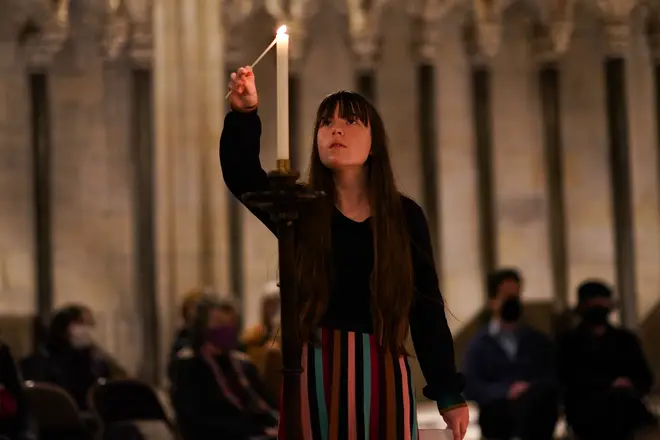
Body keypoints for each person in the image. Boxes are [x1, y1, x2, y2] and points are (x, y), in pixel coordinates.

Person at [221, 66, 469, 440]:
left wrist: (448, 392)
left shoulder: (404, 216)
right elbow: (242, 176)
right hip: (315, 368)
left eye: (351, 121)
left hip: (382, 367)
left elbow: (426, 306)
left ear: (374, 142)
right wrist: (244, 115)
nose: (335, 129)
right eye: (326, 123)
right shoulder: (300, 208)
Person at [463, 269, 559, 440]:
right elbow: (471, 386)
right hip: (498, 418)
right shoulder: (479, 344)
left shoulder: (537, 340)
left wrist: (528, 389)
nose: (513, 303)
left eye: (516, 296)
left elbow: (551, 375)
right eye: (507, 297)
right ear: (492, 301)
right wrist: (506, 391)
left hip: (535, 417)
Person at [558, 280, 658, 440]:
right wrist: (607, 384)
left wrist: (629, 383)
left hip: (625, 405)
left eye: (603, 301)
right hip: (586, 409)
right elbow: (567, 378)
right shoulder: (569, 342)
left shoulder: (626, 340)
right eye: (593, 302)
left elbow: (645, 377)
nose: (599, 307)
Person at [172, 298, 279, 440]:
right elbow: (195, 419)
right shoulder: (190, 366)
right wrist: (254, 431)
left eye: (230, 324)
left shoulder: (243, 365)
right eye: (219, 323)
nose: (226, 329)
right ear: (203, 327)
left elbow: (266, 403)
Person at [21, 305, 110, 410]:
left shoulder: (96, 363)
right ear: (64, 326)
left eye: (90, 324)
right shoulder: (38, 363)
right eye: (81, 323)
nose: (87, 329)